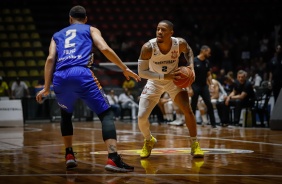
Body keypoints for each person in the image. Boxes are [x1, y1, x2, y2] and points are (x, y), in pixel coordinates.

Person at [35, 5, 140, 172]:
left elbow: (49, 59)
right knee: (106, 114)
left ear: (70, 19)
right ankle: (113, 158)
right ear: (86, 19)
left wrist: (47, 87)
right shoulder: (91, 29)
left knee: (66, 114)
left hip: (60, 77)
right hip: (82, 72)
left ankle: (69, 155)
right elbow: (104, 48)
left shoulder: (56, 35)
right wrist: (123, 68)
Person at [137, 20, 204, 159]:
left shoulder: (179, 43)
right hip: (154, 81)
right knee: (141, 117)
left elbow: (189, 51)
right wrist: (164, 76)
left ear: (171, 33)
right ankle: (149, 140)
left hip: (174, 80)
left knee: (188, 109)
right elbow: (142, 72)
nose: (159, 32)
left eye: (163, 30)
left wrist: (191, 66)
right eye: (158, 29)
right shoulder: (148, 47)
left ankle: (194, 144)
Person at [190, 45, 217, 129]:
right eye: (208, 52)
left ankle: (213, 124)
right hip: (195, 86)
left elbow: (208, 75)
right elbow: (189, 76)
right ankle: (191, 124)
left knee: (209, 103)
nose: (210, 54)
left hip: (204, 86)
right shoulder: (194, 61)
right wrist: (189, 88)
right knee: (193, 105)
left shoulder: (207, 62)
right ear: (203, 51)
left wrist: (211, 83)